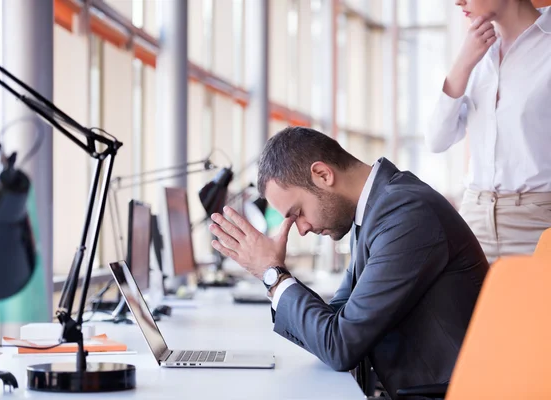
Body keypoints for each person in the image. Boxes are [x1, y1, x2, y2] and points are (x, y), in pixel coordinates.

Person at [208, 127, 489, 399]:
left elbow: (340, 345)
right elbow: (336, 320)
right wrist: (274, 273)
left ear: (322, 174)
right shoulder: (374, 211)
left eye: (299, 213)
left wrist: (273, 275)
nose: (302, 229)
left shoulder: (406, 215)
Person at [426, 1, 551, 264]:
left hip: (538, 223)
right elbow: (437, 140)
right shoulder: (476, 51)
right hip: (473, 219)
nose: (458, 1)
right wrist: (462, 65)